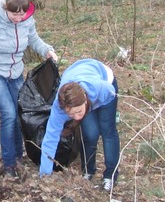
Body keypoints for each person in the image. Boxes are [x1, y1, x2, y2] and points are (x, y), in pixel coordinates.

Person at [0, 0, 57, 177]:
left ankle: (18, 156)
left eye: (22, 15)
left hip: (16, 73)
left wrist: (47, 50)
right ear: (5, 8)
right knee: (8, 114)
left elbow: (34, 39)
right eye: (14, 15)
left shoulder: (26, 20)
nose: (18, 19)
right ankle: (9, 164)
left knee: (20, 113)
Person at [39, 58, 120, 192]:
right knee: (90, 133)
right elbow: (50, 139)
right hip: (75, 77)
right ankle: (88, 170)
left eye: (79, 112)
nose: (77, 117)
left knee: (107, 131)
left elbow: (111, 94)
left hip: (105, 85)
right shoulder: (59, 108)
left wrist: (95, 107)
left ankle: (110, 175)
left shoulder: (100, 87)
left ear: (85, 100)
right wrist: (44, 175)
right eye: (71, 114)